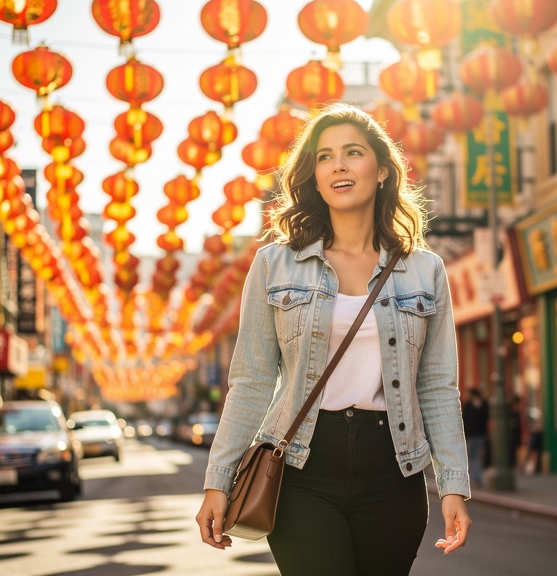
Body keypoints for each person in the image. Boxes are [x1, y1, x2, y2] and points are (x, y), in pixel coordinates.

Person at [195, 103, 471, 575]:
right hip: (302, 466)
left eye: (353, 152)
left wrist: (453, 485)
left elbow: (439, 388)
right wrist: (218, 481)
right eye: (324, 157)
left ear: (383, 170)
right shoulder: (273, 265)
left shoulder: (426, 271)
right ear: (315, 177)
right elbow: (253, 380)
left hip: (393, 468)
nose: (338, 165)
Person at [461, 387, 489, 488]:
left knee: (472, 457)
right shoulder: (484, 404)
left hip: (471, 435)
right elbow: (486, 418)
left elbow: (464, 420)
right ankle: (477, 477)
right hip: (481, 434)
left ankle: (475, 478)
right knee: (478, 456)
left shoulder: (468, 405)